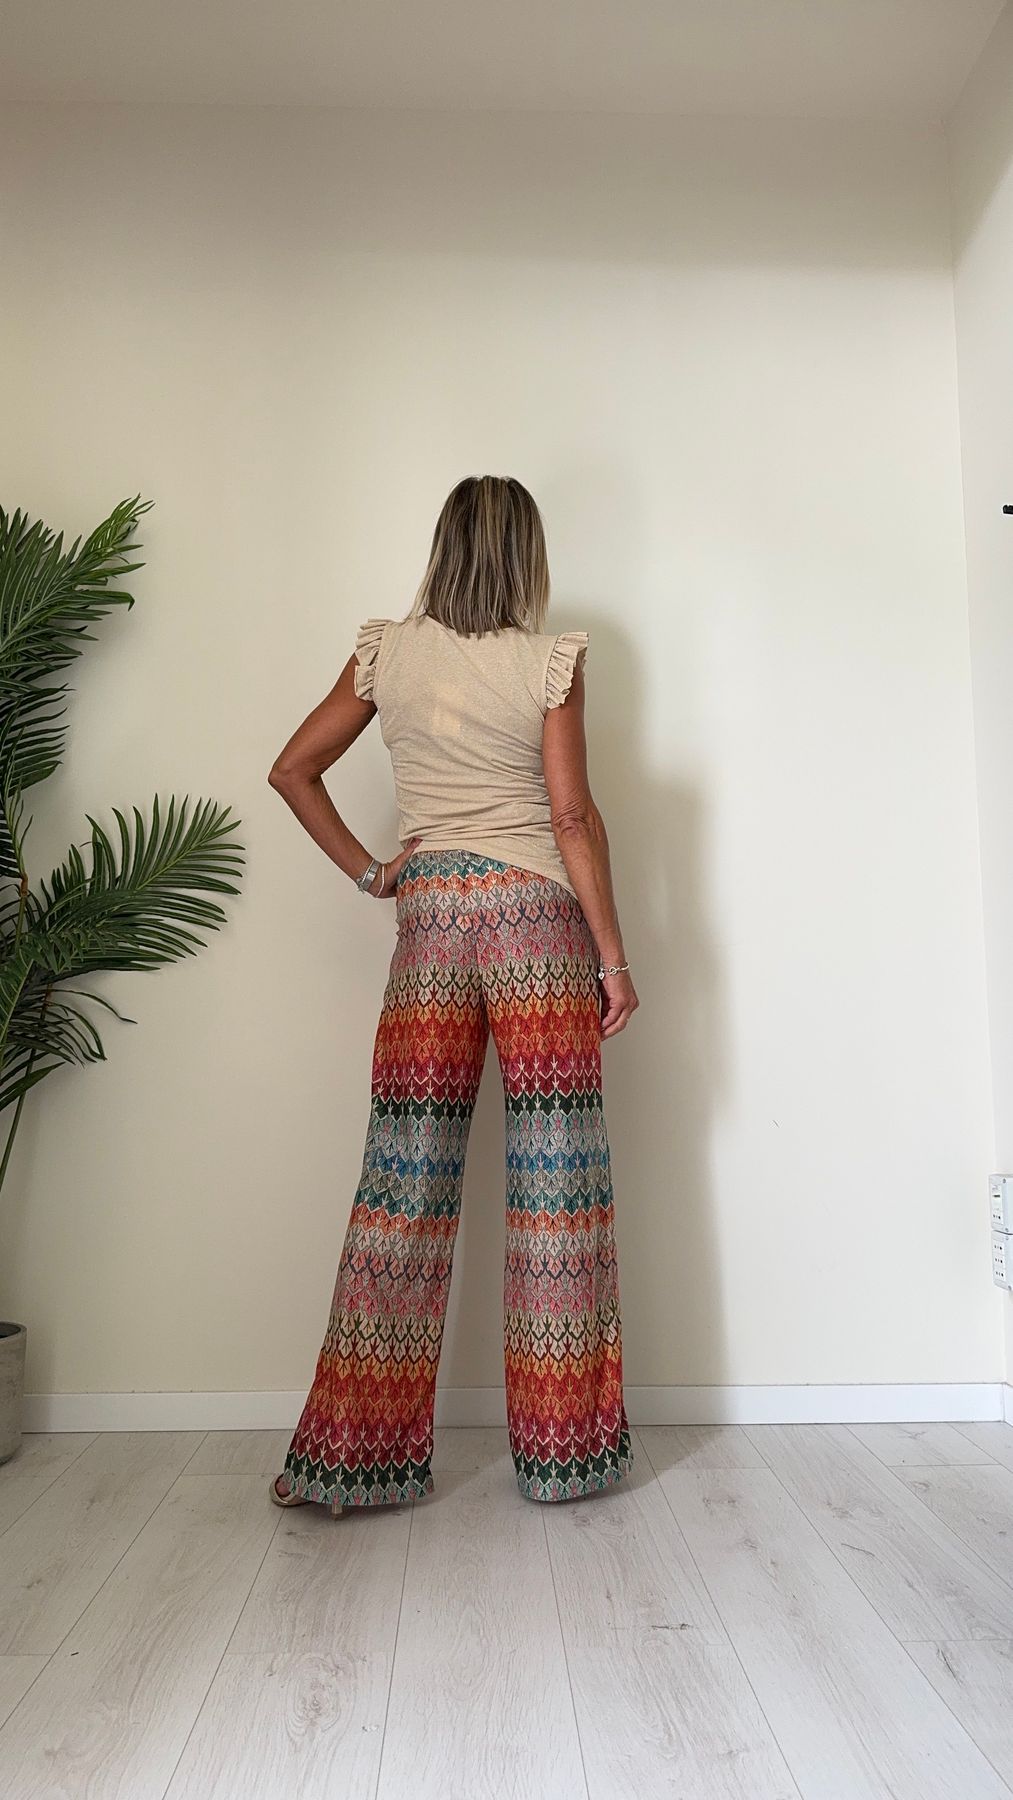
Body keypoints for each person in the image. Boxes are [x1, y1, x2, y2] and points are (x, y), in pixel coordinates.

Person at [267, 474, 638, 1514]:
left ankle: (347, 1463)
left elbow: (293, 769)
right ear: (524, 556)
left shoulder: (385, 652)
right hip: (535, 925)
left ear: (443, 548)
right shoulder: (547, 661)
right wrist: (612, 958)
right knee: (556, 1187)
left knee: (403, 1183)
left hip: (430, 920)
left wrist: (373, 872)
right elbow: (571, 817)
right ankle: (563, 1460)